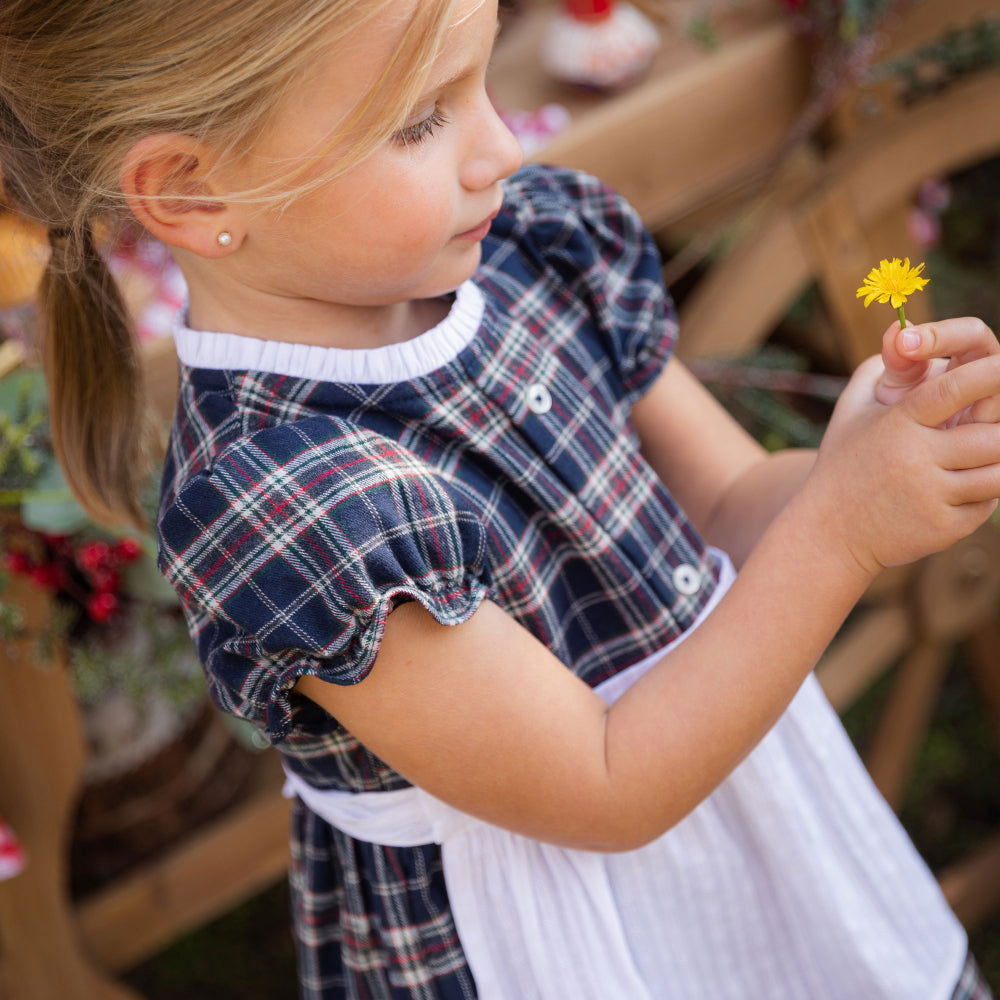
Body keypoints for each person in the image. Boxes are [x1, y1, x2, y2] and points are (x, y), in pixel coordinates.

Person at [2, 1, 999, 997]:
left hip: (749, 827)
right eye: (420, 120)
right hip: (547, 944)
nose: (501, 149)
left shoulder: (529, 253)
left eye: (481, 80)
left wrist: (865, 468)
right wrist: (836, 535)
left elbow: (727, 503)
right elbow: (606, 782)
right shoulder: (285, 501)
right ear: (191, 188)